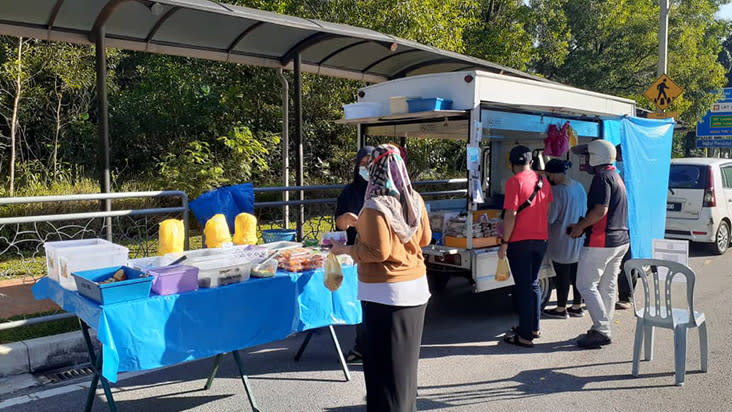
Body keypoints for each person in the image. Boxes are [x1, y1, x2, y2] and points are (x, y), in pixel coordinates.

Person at [331, 144, 431, 412]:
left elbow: (377, 251)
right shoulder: (414, 199)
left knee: (382, 371)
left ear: (375, 169)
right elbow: (425, 238)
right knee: (404, 370)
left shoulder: (375, 205)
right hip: (416, 289)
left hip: (385, 294)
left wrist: (345, 250)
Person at [568, 139, 630, 349]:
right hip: (620, 241)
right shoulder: (615, 176)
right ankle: (603, 326)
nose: (584, 160)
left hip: (601, 241)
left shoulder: (601, 178)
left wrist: (580, 226)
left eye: (587, 156)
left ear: (596, 157)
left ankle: (602, 329)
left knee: (585, 284)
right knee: (607, 285)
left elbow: (600, 211)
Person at [499, 145, 553, 348]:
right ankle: (533, 327)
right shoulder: (543, 181)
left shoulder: (513, 182)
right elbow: (547, 209)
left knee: (523, 288)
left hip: (519, 241)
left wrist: (504, 242)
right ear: (531, 162)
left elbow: (511, 214)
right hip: (541, 240)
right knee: (533, 283)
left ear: (512, 164)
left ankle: (524, 336)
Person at [334, 145, 374, 363]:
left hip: (378, 253)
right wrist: (345, 220)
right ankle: (362, 346)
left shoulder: (384, 190)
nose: (366, 168)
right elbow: (338, 225)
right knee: (362, 301)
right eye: (363, 163)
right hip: (354, 254)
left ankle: (375, 347)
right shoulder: (349, 193)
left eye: (371, 164)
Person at [542, 159, 587, 319]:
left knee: (562, 274)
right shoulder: (579, 186)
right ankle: (577, 305)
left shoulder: (558, 192)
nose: (548, 178)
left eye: (548, 175)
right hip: (578, 237)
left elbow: (551, 218)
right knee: (576, 273)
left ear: (553, 174)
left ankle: (561, 309)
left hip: (561, 239)